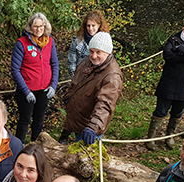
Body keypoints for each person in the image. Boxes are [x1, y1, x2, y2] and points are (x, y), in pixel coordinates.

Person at [146, 14, 184, 150]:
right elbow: (167, 54)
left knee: (177, 113)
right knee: (160, 111)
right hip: (169, 82)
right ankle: (151, 138)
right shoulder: (174, 38)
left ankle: (169, 136)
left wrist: (181, 49)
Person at [58, 32, 123, 145]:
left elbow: (105, 105)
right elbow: (76, 80)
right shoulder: (88, 62)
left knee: (86, 159)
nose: (93, 55)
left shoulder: (112, 77)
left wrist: (93, 127)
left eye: (98, 52)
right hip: (78, 118)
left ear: (107, 52)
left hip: (89, 126)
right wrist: (69, 96)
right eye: (91, 51)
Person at [11, 12, 59, 143]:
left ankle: (35, 147)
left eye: (41, 26)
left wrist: (53, 86)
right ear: (30, 27)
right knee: (24, 119)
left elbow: (54, 64)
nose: (39, 29)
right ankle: (19, 147)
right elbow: (15, 70)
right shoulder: (22, 43)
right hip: (27, 89)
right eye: (36, 26)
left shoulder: (50, 41)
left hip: (44, 89)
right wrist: (26, 91)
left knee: (39, 119)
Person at [67, 10, 110, 78]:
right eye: (88, 25)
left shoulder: (105, 41)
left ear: (99, 25)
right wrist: (75, 78)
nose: (90, 28)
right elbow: (71, 62)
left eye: (93, 25)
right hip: (79, 77)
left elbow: (108, 61)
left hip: (97, 78)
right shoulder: (77, 40)